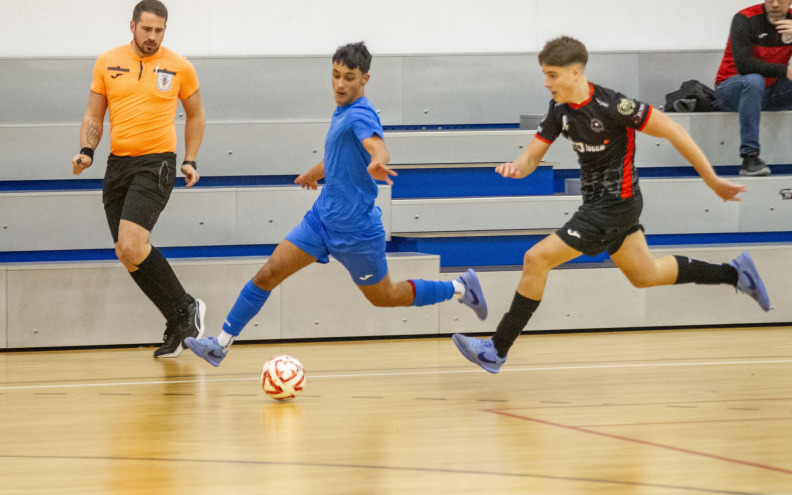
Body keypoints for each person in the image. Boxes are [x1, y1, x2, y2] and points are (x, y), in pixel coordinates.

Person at [452, 36, 771, 374]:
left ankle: (496, 349)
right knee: (645, 275)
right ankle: (736, 274)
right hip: (601, 206)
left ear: (575, 73)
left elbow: (673, 130)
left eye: (552, 75)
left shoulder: (614, 106)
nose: (546, 83)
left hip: (615, 204)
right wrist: (517, 168)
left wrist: (711, 179)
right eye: (544, 75)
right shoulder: (559, 109)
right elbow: (532, 156)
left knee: (536, 259)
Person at [185, 42, 487, 367]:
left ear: (365, 79)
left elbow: (375, 144)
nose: (340, 84)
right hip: (321, 221)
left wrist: (379, 160)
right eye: (336, 75)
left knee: (385, 297)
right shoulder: (341, 110)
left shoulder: (361, 113)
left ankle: (459, 288)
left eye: (349, 78)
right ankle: (220, 344)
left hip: (357, 233)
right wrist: (312, 174)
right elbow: (337, 157)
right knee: (268, 273)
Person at [71, 0, 206, 358]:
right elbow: (93, 114)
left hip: (157, 163)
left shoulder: (179, 66)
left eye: (159, 31)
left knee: (131, 244)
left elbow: (195, 115)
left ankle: (187, 306)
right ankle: (177, 318)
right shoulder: (107, 62)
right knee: (127, 253)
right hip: (118, 165)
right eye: (147, 29)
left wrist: (190, 159)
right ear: (132, 26)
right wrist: (87, 150)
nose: (153, 37)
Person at [714, 0, 792, 176]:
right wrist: (784, 70)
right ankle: (750, 157)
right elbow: (744, 65)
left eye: (781, 0)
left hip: (768, 93)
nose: (775, 4)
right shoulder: (745, 18)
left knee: (758, 83)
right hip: (731, 91)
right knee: (754, 80)